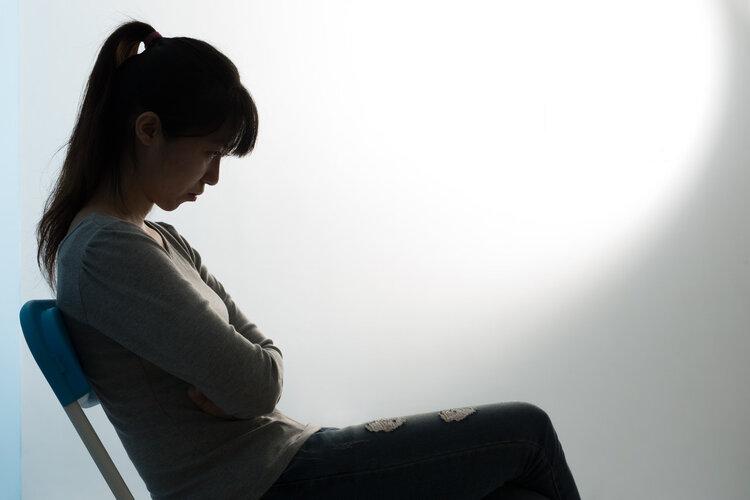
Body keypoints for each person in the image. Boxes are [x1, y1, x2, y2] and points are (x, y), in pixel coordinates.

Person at [37, 19, 581, 500]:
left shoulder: (162, 240)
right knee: (527, 434)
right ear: (148, 130)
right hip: (260, 484)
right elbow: (256, 385)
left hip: (285, 463)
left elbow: (263, 366)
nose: (214, 177)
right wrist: (243, 386)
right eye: (209, 153)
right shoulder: (105, 253)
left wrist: (244, 384)